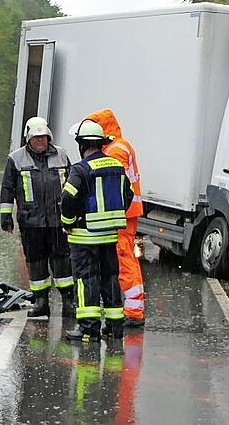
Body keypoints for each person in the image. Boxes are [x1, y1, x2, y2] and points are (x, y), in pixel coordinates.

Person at [61, 120, 133, 343]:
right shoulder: (116, 167)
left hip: (84, 236)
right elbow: (127, 196)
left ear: (82, 145)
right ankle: (114, 327)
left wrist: (68, 222)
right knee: (110, 279)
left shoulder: (80, 169)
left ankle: (88, 329)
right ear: (101, 144)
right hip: (109, 235)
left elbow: (67, 199)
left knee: (86, 280)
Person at [0, 117, 74, 317]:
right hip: (30, 221)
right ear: (28, 138)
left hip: (58, 220)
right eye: (36, 137)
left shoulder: (61, 155)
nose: (41, 141)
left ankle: (68, 301)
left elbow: (73, 184)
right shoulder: (16, 159)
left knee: (63, 261)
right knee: (35, 261)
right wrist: (6, 215)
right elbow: (7, 188)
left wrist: (75, 213)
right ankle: (41, 302)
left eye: (43, 137)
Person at [85, 109, 145, 327]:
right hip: (127, 212)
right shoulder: (120, 145)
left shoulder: (115, 150)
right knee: (126, 257)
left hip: (122, 213)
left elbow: (109, 181)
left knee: (123, 259)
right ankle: (132, 308)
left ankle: (133, 311)